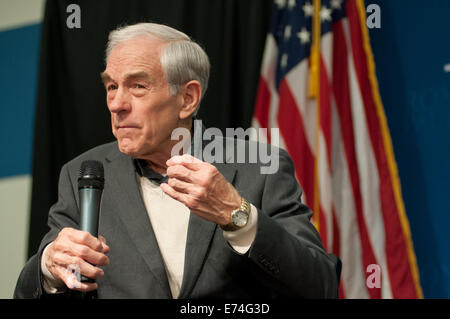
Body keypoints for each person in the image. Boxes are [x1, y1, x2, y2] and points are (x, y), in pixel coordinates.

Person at [14, 23, 341, 299]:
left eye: (137, 86)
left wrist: (236, 216)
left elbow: (319, 284)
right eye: (111, 86)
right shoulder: (82, 174)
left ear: (187, 98)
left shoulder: (260, 167)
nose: (116, 104)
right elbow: (27, 289)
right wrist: (48, 268)